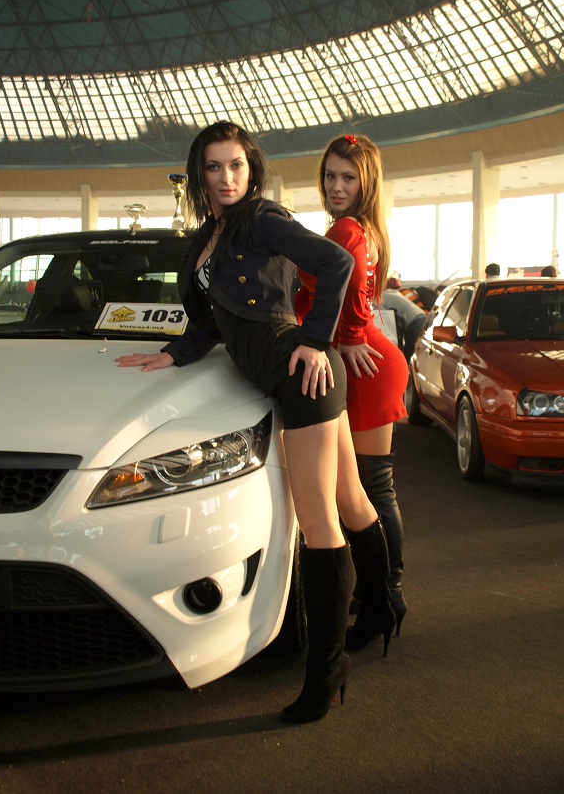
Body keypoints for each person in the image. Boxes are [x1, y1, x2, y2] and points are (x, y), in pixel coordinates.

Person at [115, 121, 394, 725]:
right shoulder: (208, 237)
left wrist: (315, 341)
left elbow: (335, 262)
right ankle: (382, 608)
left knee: (319, 523)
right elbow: (211, 321)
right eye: (214, 167)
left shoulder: (262, 219)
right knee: (351, 500)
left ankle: (327, 672)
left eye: (237, 165)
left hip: (302, 375)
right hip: (291, 375)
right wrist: (173, 354)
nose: (227, 177)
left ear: (252, 169)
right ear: (200, 174)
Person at [295, 133, 409, 647]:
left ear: (367, 183)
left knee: (371, 487)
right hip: (367, 361)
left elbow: (353, 289)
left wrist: (352, 335)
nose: (336, 186)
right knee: (366, 487)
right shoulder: (363, 227)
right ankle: (380, 593)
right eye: (330, 176)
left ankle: (387, 593)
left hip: (365, 364)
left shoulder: (348, 229)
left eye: (348, 177)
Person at [382, 277, 428, 360]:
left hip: (414, 321)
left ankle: (407, 367)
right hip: (422, 316)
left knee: (410, 351)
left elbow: (383, 319)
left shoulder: (380, 297)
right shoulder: (395, 292)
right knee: (416, 350)